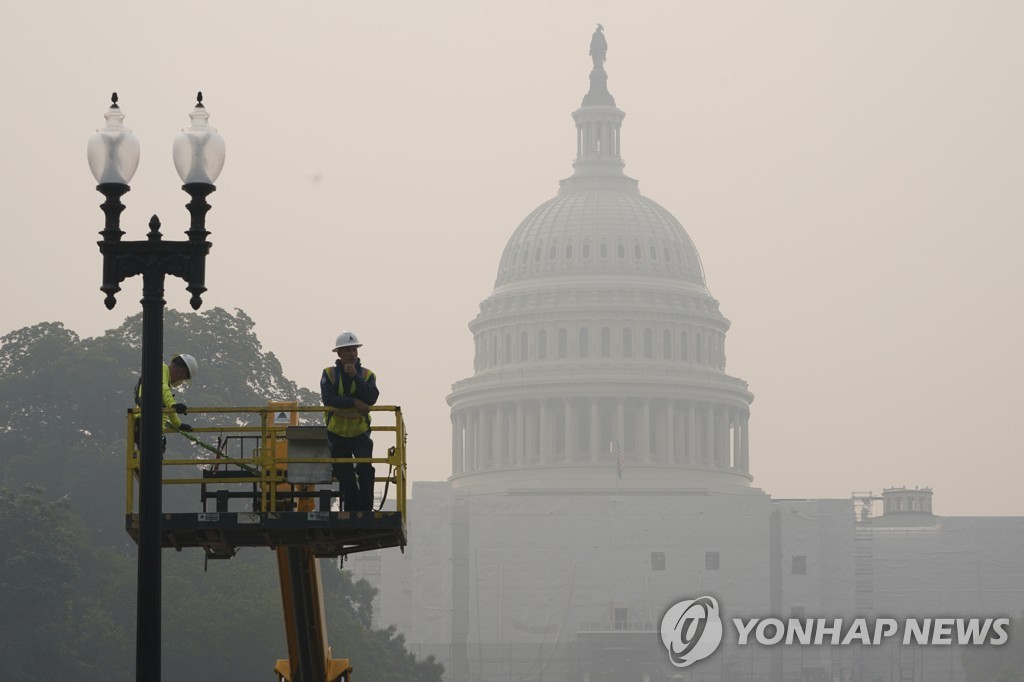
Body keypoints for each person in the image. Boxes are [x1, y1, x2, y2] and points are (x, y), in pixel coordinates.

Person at [320, 332, 379, 512]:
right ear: (339, 354)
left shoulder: (367, 375)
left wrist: (355, 377)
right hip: (337, 433)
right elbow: (329, 399)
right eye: (347, 350)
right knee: (345, 474)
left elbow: (371, 397)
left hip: (360, 433)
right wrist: (353, 401)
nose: (352, 354)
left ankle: (366, 510)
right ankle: (352, 510)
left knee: (365, 470)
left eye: (354, 350)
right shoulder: (329, 374)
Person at [134, 353, 197, 452]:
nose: (180, 379)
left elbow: (168, 406)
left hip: (152, 424)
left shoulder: (165, 380)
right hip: (147, 422)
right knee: (151, 457)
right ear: (181, 371)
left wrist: (178, 424)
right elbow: (163, 388)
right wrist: (173, 404)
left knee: (152, 456)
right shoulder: (160, 369)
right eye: (183, 377)